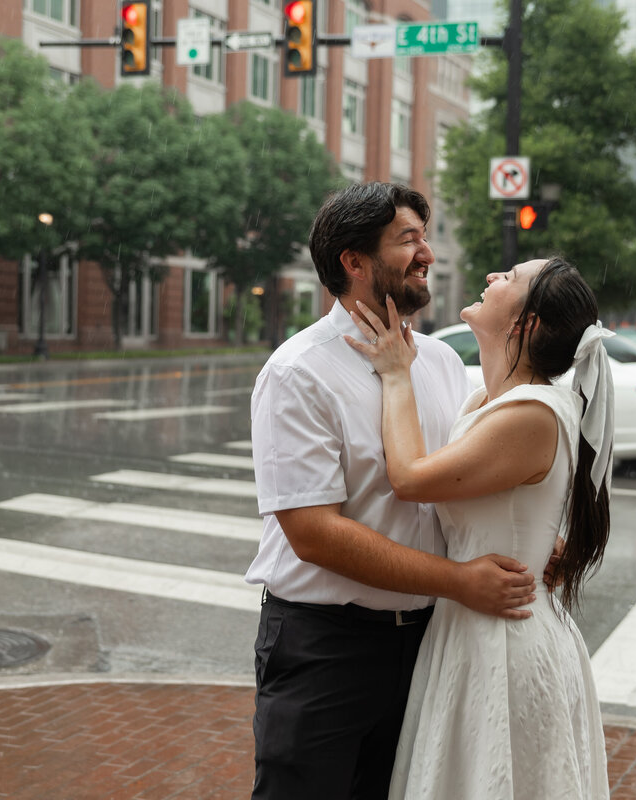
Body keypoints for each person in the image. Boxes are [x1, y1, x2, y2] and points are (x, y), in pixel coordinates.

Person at [245, 182, 539, 800]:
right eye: (408, 240)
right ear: (354, 261)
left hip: (429, 642)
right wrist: (459, 580)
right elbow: (313, 533)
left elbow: (461, 486)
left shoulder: (439, 362)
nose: (427, 253)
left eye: (424, 237)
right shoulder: (298, 372)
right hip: (326, 649)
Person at [346, 256, 613, 800]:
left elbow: (410, 478)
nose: (492, 277)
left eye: (510, 278)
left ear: (525, 324)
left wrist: (395, 373)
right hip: (470, 626)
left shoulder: (532, 413)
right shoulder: (487, 401)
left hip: (505, 639)